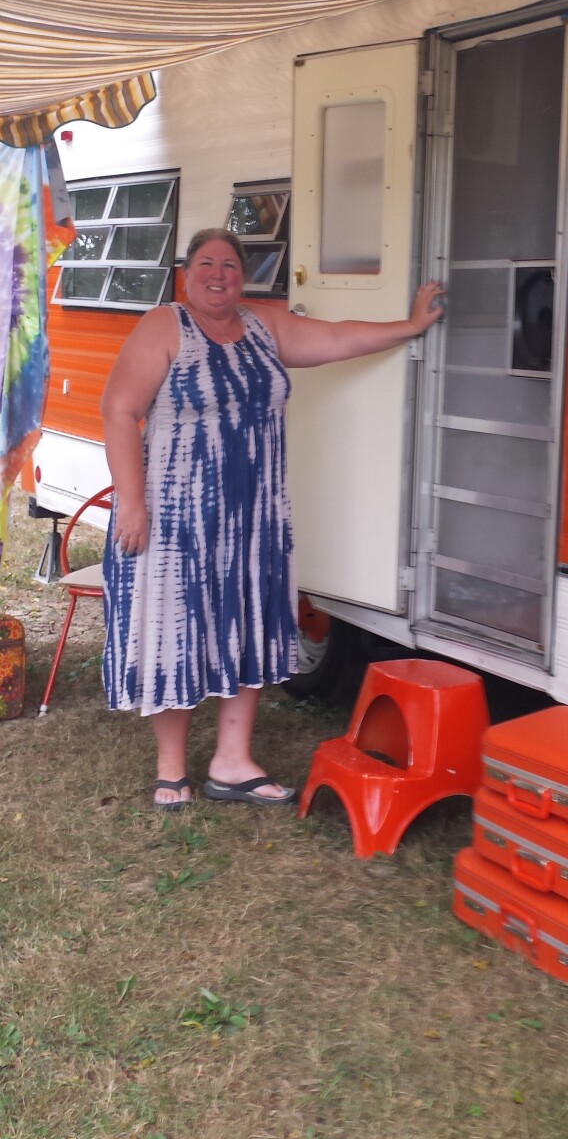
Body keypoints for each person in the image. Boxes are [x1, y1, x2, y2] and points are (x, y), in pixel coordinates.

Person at [101, 227, 444, 811]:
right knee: (177, 632)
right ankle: (171, 770)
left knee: (249, 626)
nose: (218, 275)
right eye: (206, 264)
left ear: (244, 275)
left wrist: (408, 327)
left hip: (254, 516)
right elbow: (119, 408)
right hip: (177, 516)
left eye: (230, 265)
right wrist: (130, 503)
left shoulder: (264, 326)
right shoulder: (165, 327)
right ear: (187, 274)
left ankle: (232, 762)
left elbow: (337, 339)